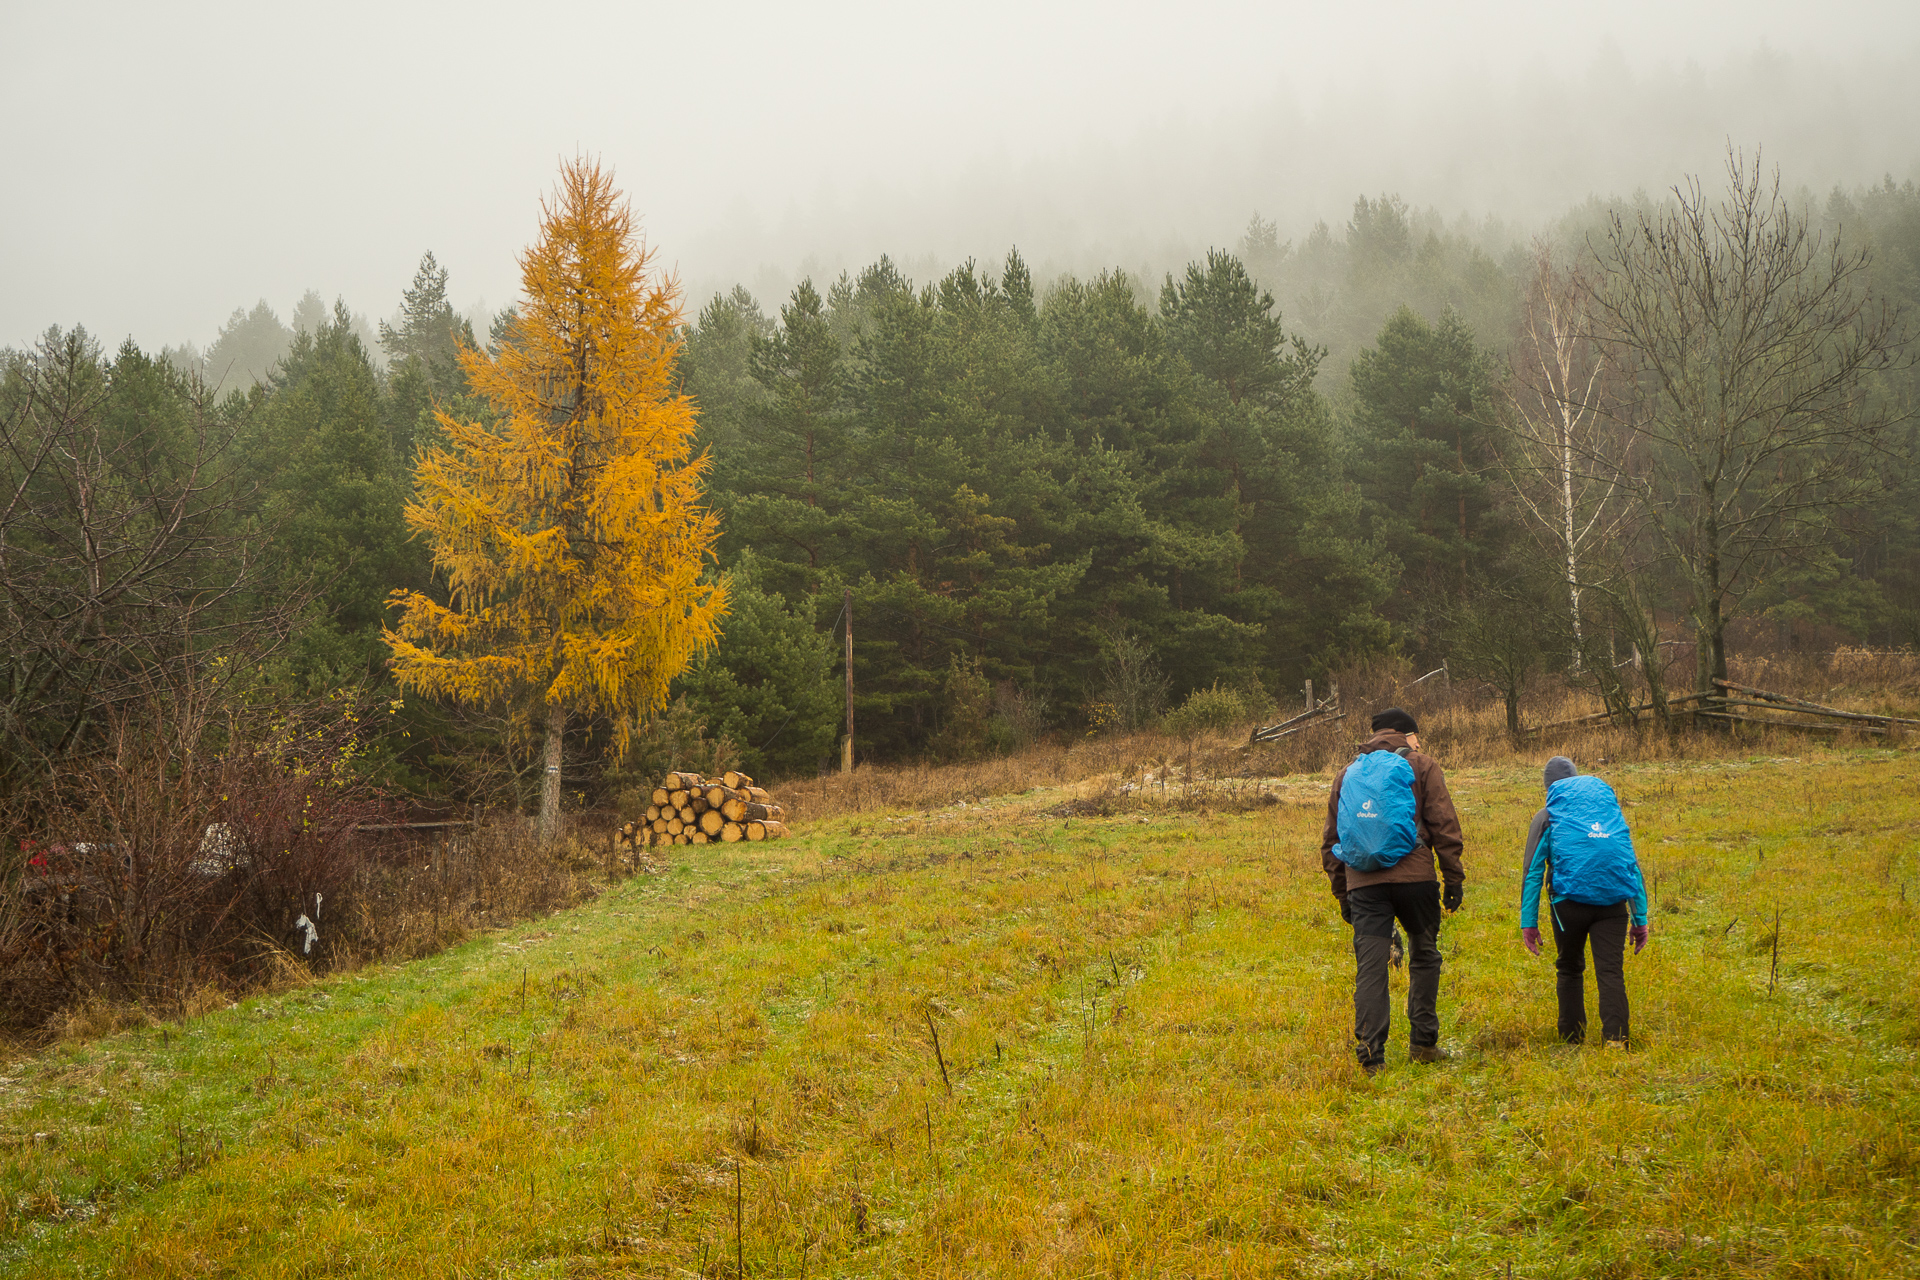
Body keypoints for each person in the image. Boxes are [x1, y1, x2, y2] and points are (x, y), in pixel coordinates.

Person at [1320, 708, 1465, 1073]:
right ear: (1407, 734)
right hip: (1415, 879)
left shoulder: (1348, 773)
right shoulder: (1423, 765)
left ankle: (1372, 1058)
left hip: (1364, 884)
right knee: (1424, 954)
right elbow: (1444, 824)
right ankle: (1423, 1043)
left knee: (1371, 967)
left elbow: (1331, 842)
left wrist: (1344, 895)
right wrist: (1453, 879)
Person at [1519, 756, 1650, 1047]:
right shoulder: (1607, 812)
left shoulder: (1547, 816)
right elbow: (1630, 864)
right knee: (1610, 970)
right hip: (1613, 904)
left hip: (1568, 905)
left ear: (1547, 786)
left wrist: (1528, 923)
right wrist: (1640, 919)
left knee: (1569, 967)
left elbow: (1533, 872)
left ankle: (1571, 1038)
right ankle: (1616, 1040)